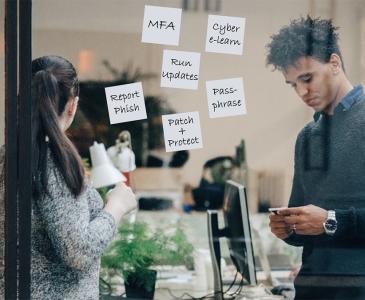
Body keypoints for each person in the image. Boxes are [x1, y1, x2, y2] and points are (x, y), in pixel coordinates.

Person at [0, 55, 137, 299]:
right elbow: (78, 250)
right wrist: (116, 207)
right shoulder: (51, 162)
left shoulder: (10, 155)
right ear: (73, 106)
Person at [266, 16, 365, 300]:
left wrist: (331, 221)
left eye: (307, 78)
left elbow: (328, 222)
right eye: (292, 84)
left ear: (335, 64)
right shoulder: (308, 137)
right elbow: (307, 224)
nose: (302, 92)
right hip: (313, 289)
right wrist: (288, 228)